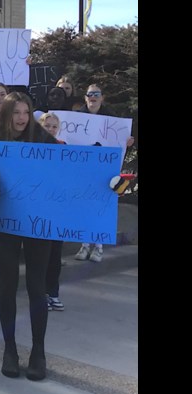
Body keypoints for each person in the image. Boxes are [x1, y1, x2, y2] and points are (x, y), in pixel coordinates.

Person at [0, 92, 58, 381]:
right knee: (7, 286)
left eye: (26, 112)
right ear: (6, 114)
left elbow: (71, 172)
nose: (21, 118)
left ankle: (38, 351)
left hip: (39, 225)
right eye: (16, 112)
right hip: (4, 225)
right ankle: (10, 349)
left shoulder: (45, 141)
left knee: (37, 287)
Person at [74, 83, 134, 263]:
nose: (93, 97)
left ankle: (98, 247)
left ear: (102, 97)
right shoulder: (77, 118)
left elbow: (119, 140)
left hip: (105, 170)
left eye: (96, 94)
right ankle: (84, 245)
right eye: (89, 94)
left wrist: (127, 142)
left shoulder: (112, 118)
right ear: (85, 97)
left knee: (102, 207)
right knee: (84, 206)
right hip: (84, 169)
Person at [38, 112, 67, 311]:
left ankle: (53, 292)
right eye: (47, 125)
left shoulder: (64, 148)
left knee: (55, 254)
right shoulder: (31, 148)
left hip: (57, 209)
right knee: (40, 255)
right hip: (37, 208)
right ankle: (41, 294)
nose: (50, 129)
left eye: (54, 126)